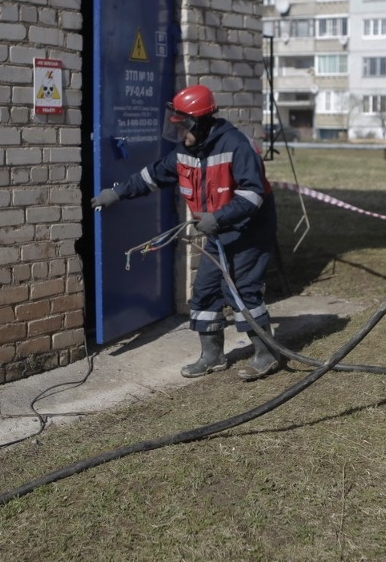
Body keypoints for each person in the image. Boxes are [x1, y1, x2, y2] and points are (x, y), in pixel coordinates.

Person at [90, 84, 282, 381]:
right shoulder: (187, 151)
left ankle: (266, 354)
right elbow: (152, 175)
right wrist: (117, 193)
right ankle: (212, 355)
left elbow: (253, 196)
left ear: (202, 122)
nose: (180, 134)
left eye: (184, 127)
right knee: (204, 293)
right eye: (176, 127)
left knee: (242, 291)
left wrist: (218, 218)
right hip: (218, 229)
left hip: (248, 229)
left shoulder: (236, 146)